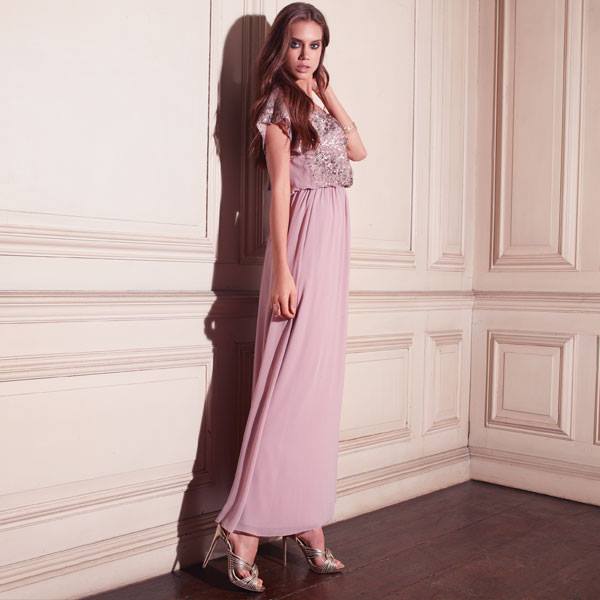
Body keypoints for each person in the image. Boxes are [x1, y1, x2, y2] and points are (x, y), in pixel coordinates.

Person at [202, 2, 367, 592]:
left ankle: (305, 519)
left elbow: (358, 150)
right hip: (301, 245)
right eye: (296, 44)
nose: (305, 55)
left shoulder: (317, 100)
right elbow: (276, 192)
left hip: (332, 247)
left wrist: (328, 91)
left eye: (315, 45)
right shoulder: (276, 106)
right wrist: (283, 274)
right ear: (281, 47)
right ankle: (245, 529)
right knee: (288, 388)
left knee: (317, 390)